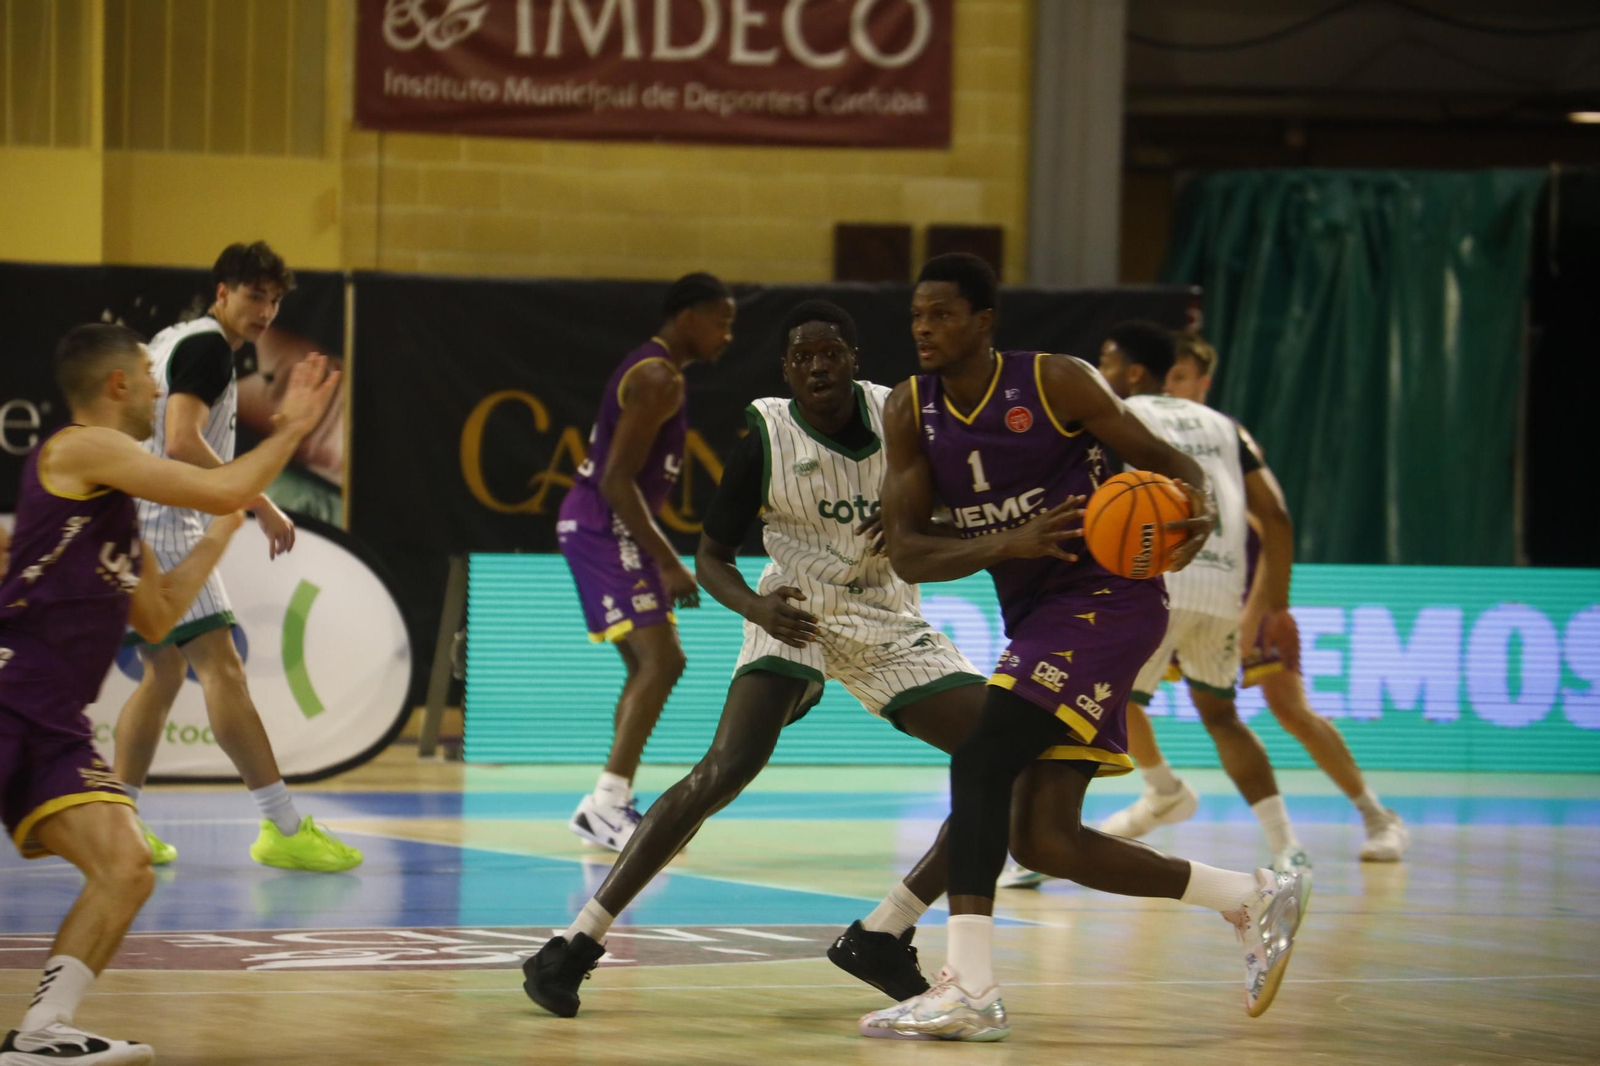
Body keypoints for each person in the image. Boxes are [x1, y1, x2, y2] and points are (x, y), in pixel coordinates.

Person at [856, 257, 1307, 1041]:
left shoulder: (1056, 382)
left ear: (985, 320)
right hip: (1036, 616)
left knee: (980, 759)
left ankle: (971, 987)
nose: (924, 329)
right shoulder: (908, 409)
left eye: (942, 314)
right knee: (1044, 838)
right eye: (916, 316)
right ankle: (1249, 895)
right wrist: (1012, 539)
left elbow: (1170, 465)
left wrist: (1190, 514)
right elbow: (909, 552)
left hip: (1109, 600)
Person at [0, 324, 338, 1064]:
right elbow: (223, 482)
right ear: (117, 385)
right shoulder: (77, 447)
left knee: (124, 869)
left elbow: (157, 613)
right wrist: (292, 431)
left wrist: (223, 528)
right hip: (9, 690)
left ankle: (41, 1032)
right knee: (122, 866)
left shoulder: (114, 509)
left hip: (51, 719)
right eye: (151, 375)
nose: (162, 388)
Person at [1104, 333, 1408, 861]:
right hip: (1209, 588)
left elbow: (1271, 523)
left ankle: (1377, 815)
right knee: (1146, 700)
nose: (1174, 386)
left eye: (1184, 378)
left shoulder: (1220, 434)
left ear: (1202, 384)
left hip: (1243, 588)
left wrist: (1267, 607)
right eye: (1168, 376)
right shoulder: (1189, 436)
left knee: (1289, 710)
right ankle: (1164, 793)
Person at [111, 241, 361, 873]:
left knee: (163, 672)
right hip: (168, 526)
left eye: (276, 300)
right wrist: (261, 501)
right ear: (221, 292)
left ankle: (118, 821)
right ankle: (282, 827)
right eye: (255, 295)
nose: (267, 311)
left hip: (141, 516)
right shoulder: (210, 350)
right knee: (223, 670)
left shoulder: (175, 337)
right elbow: (181, 440)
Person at [557, 273, 736, 851]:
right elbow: (615, 481)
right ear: (687, 315)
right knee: (663, 660)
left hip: (600, 525)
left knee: (652, 664)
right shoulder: (658, 376)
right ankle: (607, 804)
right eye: (721, 321)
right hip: (604, 527)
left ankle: (609, 803)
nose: (727, 336)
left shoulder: (658, 371)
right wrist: (669, 563)